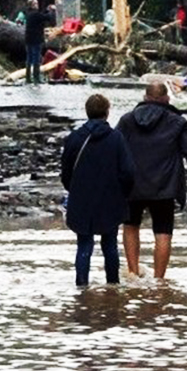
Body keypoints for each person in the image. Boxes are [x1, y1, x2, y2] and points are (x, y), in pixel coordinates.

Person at [116, 82, 187, 279]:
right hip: (164, 186)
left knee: (131, 227)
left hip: (133, 185)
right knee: (163, 232)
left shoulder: (126, 121)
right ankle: (159, 280)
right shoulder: (177, 122)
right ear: (167, 99)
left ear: (145, 97)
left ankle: (133, 273)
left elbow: (114, 150)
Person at [61, 94, 136, 288]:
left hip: (82, 199)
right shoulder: (116, 138)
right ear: (107, 112)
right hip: (110, 198)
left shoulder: (74, 138)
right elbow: (128, 171)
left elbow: (66, 171)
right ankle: (113, 286)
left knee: (84, 245)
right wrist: (122, 193)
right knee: (110, 245)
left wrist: (74, 189)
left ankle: (82, 288)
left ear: (87, 112)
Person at [22, 0, 56, 85]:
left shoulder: (29, 13)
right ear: (32, 5)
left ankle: (28, 77)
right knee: (36, 59)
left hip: (28, 39)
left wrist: (46, 10)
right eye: (36, 3)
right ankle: (36, 78)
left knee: (29, 59)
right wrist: (52, 10)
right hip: (36, 39)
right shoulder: (35, 15)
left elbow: (41, 15)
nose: (38, 5)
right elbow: (47, 17)